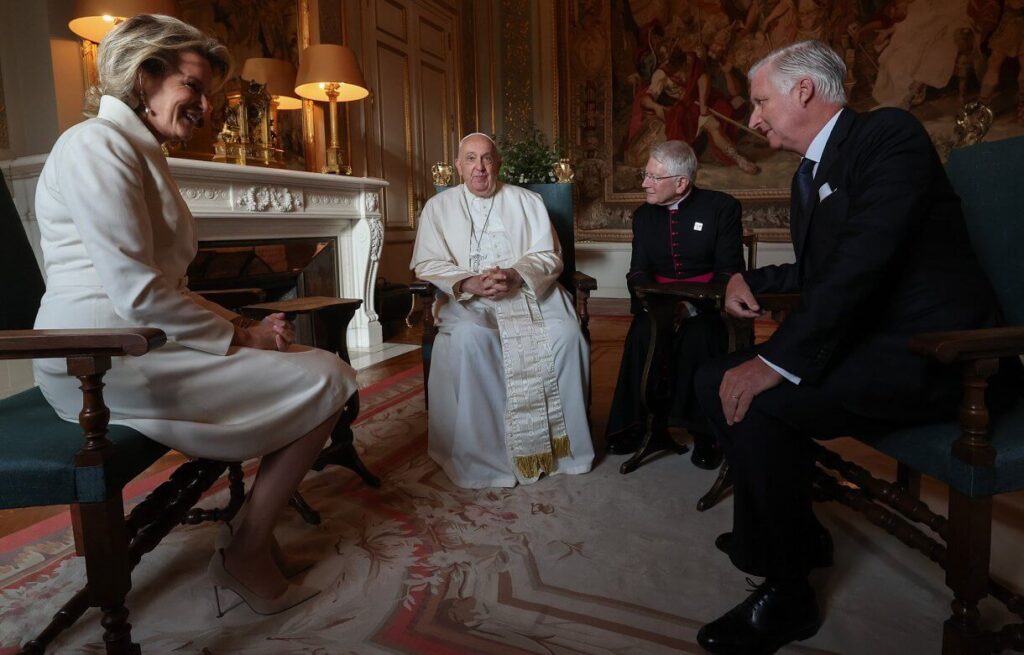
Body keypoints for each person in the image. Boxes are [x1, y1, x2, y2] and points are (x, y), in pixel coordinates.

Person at [32, 14, 358, 616]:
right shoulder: (94, 145)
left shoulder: (137, 148)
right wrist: (246, 337)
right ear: (144, 75)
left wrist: (240, 330)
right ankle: (246, 549)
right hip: (97, 359)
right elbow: (137, 292)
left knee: (325, 366)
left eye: (208, 92)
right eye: (193, 86)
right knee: (331, 377)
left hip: (138, 340)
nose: (205, 106)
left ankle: (248, 537)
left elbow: (162, 286)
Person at [693, 40, 998, 653]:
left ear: (803, 91)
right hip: (870, 343)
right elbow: (820, 271)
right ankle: (795, 536)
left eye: (759, 102)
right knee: (711, 377)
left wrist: (773, 362)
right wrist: (748, 278)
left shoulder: (889, 135)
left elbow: (862, 262)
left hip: (938, 356)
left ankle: (787, 591)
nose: (751, 119)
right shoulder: (811, 173)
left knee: (759, 399)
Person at [410, 133, 595, 489]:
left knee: (566, 334)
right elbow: (428, 262)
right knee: (470, 339)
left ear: (498, 163)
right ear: (458, 166)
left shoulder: (528, 201)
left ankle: (562, 452)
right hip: (469, 299)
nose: (479, 168)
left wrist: (515, 275)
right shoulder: (438, 207)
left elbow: (549, 256)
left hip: (528, 294)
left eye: (487, 159)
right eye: (470, 159)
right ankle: (487, 458)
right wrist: (467, 282)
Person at [605, 140, 743, 468]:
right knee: (642, 334)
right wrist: (655, 305)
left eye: (653, 177)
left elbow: (729, 271)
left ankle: (706, 434)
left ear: (682, 182)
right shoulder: (642, 216)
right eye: (645, 175)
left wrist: (694, 306)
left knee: (701, 338)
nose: (644, 183)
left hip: (708, 306)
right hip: (659, 305)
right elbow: (638, 270)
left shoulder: (722, 207)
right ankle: (637, 425)